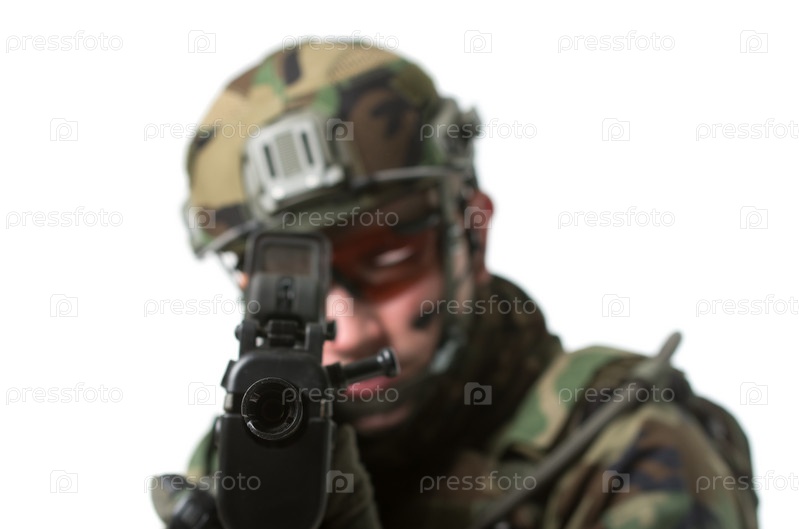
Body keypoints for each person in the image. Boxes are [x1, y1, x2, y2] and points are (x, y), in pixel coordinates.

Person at [175, 39, 758, 528]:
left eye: (387, 257)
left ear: (472, 230)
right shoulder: (246, 461)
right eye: (291, 284)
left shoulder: (623, 450)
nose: (347, 331)